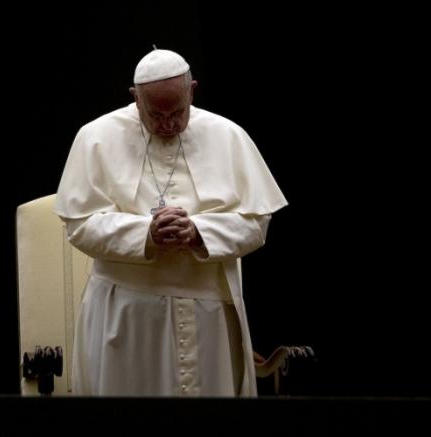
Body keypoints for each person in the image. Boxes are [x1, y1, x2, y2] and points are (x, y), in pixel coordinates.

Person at [54, 48, 287, 396]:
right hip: (125, 312)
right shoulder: (95, 137)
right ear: (135, 98)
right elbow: (80, 226)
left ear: (192, 90)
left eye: (177, 112)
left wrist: (200, 232)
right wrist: (144, 234)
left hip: (208, 310)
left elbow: (256, 224)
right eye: (155, 114)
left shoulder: (229, 136)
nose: (168, 124)